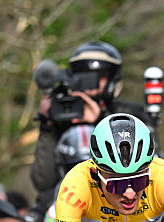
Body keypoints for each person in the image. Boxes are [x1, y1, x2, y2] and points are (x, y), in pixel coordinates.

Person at [31, 41, 155, 210]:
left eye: (99, 75)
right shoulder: (62, 115)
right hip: (68, 202)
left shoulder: (130, 114)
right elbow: (43, 183)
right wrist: (48, 126)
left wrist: (101, 119)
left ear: (113, 78)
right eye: (83, 75)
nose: (89, 82)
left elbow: (149, 167)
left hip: (122, 202)